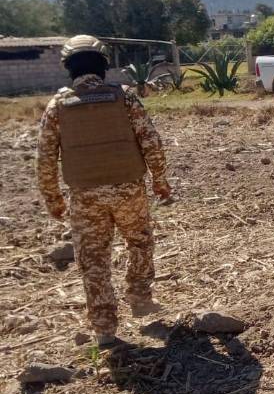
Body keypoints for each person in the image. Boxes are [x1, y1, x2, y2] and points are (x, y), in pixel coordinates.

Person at [36, 35, 172, 348]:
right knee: (139, 241)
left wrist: (53, 198)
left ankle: (105, 327)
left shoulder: (58, 105)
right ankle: (139, 297)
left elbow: (45, 157)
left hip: (85, 196)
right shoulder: (123, 97)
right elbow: (150, 141)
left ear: (67, 66)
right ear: (103, 63)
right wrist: (160, 180)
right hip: (129, 189)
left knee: (93, 260)